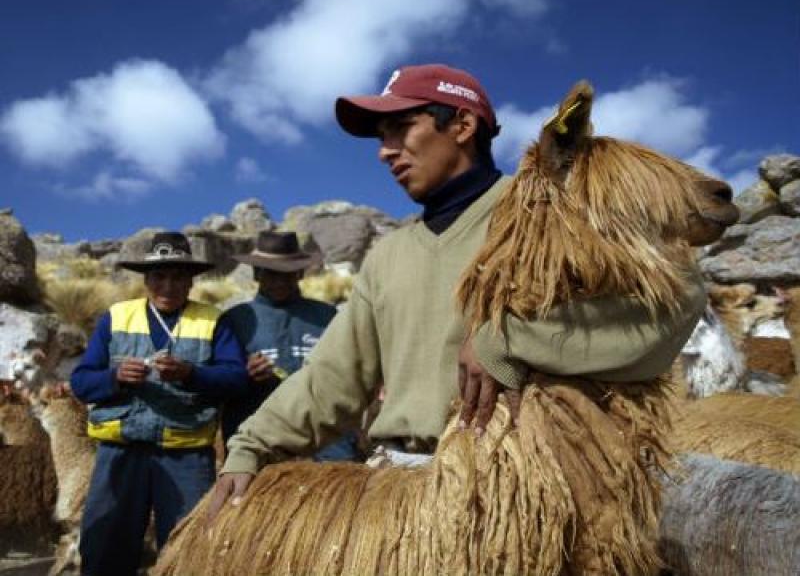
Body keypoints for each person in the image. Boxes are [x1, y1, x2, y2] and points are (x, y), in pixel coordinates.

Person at [207, 63, 706, 518]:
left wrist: (510, 340)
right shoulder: (389, 257)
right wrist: (252, 445)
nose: (384, 151)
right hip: (398, 492)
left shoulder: (549, 212)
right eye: (381, 137)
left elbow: (677, 296)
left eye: (402, 128)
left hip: (524, 497)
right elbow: (331, 378)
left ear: (462, 126)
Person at [71, 232, 248, 576]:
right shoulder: (116, 317)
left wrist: (191, 373)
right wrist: (115, 377)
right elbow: (81, 382)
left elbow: (236, 379)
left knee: (187, 550)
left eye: (178, 276)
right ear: (146, 280)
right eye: (159, 276)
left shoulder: (214, 320)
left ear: (191, 281)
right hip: (119, 452)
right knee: (104, 547)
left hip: (186, 455)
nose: (168, 285)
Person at [219, 230, 358, 461]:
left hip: (327, 443)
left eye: (288, 274)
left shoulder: (327, 316)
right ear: (256, 273)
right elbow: (220, 381)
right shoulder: (234, 319)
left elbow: (350, 373)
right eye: (271, 274)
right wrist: (245, 374)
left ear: (300, 273)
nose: (280, 282)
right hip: (257, 441)